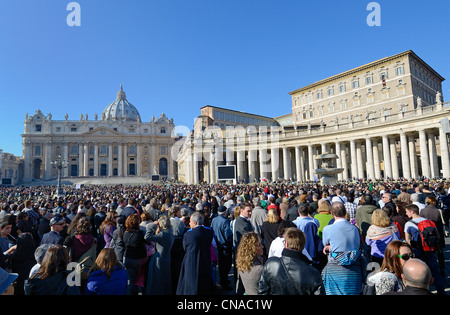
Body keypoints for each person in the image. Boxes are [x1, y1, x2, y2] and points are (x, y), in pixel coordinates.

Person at [258, 227, 324, 295]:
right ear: (303, 246)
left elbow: (262, 292)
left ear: (286, 244)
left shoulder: (271, 264)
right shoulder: (313, 273)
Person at [321, 202, 364, 295]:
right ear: (345, 212)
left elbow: (325, 244)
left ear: (332, 213)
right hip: (353, 271)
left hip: (335, 270)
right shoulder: (354, 229)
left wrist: (331, 247)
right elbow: (356, 246)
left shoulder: (328, 229)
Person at [404, 203, 446, 295]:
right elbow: (438, 236)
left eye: (407, 212)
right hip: (430, 250)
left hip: (418, 250)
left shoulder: (408, 224)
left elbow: (407, 240)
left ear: (412, 212)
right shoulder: (429, 221)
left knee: (420, 274)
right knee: (435, 272)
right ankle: (441, 291)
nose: (406, 214)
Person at [177, 211, 214, 295]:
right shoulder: (209, 232)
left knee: (191, 284)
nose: (189, 223)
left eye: (190, 221)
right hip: (205, 260)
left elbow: (185, 248)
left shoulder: (188, 235)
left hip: (191, 261)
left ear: (194, 222)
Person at [145, 214, 174, 295]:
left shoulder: (163, 235)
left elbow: (147, 237)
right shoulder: (170, 232)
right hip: (167, 258)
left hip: (158, 259)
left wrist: (152, 226)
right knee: (164, 280)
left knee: (156, 281)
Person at [420, 195, 446, 275]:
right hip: (438, 232)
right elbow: (443, 222)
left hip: (426, 233)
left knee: (428, 253)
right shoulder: (438, 211)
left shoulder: (422, 210)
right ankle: (442, 270)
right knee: (440, 253)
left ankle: (429, 270)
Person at [122, 213, 147, 295]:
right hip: (139, 259)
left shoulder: (125, 233)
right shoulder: (140, 233)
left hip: (128, 258)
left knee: (132, 281)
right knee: (141, 281)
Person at [210, 205, 233, 290]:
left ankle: (224, 280)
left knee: (221, 265)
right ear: (224, 212)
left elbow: (211, 230)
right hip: (224, 246)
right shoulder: (225, 221)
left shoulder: (214, 219)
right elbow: (228, 235)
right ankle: (224, 282)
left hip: (217, 245)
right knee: (226, 265)